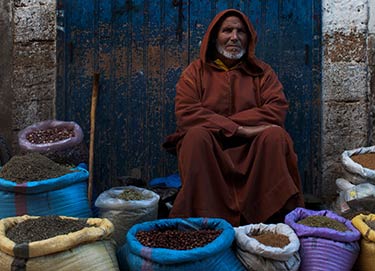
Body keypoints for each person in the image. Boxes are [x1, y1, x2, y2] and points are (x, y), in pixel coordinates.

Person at [163, 9, 304, 226]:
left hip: (253, 150)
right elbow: (187, 113)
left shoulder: (262, 73)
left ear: (249, 38)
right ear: (214, 36)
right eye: (227, 30)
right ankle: (206, 222)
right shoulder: (195, 73)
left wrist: (229, 126)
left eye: (240, 31)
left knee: (276, 136)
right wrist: (237, 129)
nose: (234, 37)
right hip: (211, 148)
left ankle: (273, 222)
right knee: (195, 136)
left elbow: (276, 109)